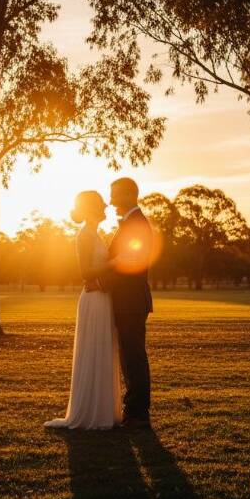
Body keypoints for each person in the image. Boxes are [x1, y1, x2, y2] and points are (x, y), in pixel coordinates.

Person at [44, 191, 122, 430]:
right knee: (93, 350)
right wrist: (114, 263)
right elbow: (85, 273)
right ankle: (90, 412)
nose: (106, 210)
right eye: (101, 206)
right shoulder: (84, 236)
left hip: (102, 297)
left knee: (103, 350)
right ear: (90, 210)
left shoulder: (95, 234)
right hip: (93, 299)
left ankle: (103, 409)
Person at [101, 177, 153, 429]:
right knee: (129, 357)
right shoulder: (130, 223)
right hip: (126, 301)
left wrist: (101, 282)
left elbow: (131, 263)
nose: (110, 201)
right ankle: (133, 408)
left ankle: (138, 413)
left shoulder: (137, 224)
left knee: (133, 357)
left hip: (131, 302)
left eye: (113, 195)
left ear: (128, 195)